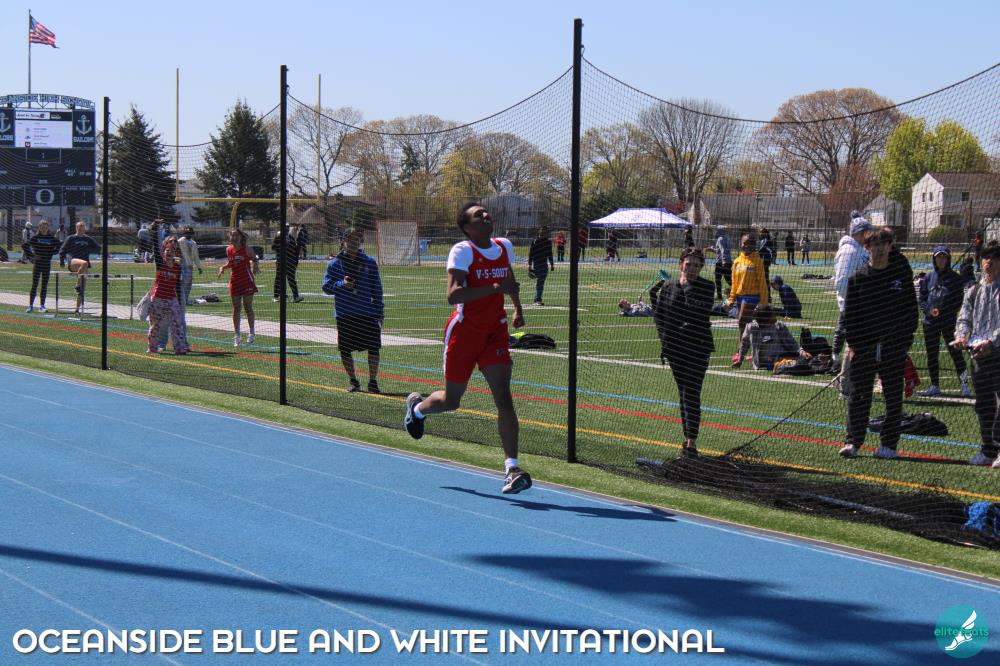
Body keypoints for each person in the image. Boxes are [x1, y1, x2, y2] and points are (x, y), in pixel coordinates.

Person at [403, 202, 531, 494]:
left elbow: (509, 280)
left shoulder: (504, 246)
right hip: (464, 332)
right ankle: (418, 409)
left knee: (504, 397)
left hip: (495, 331)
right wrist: (495, 289)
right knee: (452, 401)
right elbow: (454, 294)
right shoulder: (463, 251)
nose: (486, 215)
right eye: (478, 215)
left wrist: (517, 308)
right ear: (467, 227)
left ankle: (512, 469)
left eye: (486, 212)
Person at [839, 227, 918, 460]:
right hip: (864, 349)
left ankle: (889, 445)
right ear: (867, 248)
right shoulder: (858, 278)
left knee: (893, 397)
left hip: (893, 349)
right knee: (859, 396)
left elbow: (911, 311)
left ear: (890, 246)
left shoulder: (900, 276)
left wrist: (904, 342)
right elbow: (850, 317)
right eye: (875, 244)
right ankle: (853, 441)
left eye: (884, 243)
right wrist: (854, 345)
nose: (880, 248)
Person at [650, 248, 715, 456]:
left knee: (691, 393)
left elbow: (698, 313)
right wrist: (665, 342)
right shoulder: (668, 287)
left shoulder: (707, 287)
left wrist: (686, 287)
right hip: (675, 350)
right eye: (688, 264)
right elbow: (660, 316)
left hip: (698, 348)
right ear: (681, 265)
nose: (692, 269)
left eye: (696, 265)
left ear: (701, 268)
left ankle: (692, 444)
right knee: (683, 393)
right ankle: (687, 439)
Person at [953, 241, 1000, 468]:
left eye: (995, 258)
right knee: (984, 403)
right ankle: (988, 450)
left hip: (997, 352)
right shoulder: (974, 290)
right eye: (986, 257)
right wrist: (962, 336)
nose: (989, 262)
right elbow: (964, 317)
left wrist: (993, 343)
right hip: (978, 355)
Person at [322, 229, 384, 393]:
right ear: (342, 242)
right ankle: (353, 381)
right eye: (350, 240)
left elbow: (377, 288)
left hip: (367, 313)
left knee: (374, 348)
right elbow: (326, 287)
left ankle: (373, 382)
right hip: (345, 314)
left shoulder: (369, 262)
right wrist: (342, 285)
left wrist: (379, 311)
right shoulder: (334, 264)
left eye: (356, 239)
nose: (353, 242)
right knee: (345, 350)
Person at [916, 245, 969, 398]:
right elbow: (922, 298)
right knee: (932, 355)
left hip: (948, 323)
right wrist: (928, 310)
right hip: (930, 323)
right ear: (934, 259)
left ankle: (964, 385)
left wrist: (946, 312)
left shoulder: (955, 278)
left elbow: (958, 300)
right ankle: (934, 385)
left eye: (944, 257)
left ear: (948, 259)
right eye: (938, 257)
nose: (941, 260)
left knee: (955, 353)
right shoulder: (928, 277)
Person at [728, 232, 768, 360]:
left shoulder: (757, 261)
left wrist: (764, 301)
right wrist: (731, 299)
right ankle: (754, 351)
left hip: (752, 296)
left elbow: (762, 281)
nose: (747, 246)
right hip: (740, 297)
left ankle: (740, 351)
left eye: (750, 243)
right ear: (740, 243)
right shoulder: (737, 261)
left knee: (741, 321)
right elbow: (734, 283)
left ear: (754, 245)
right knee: (749, 325)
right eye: (745, 243)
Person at [732, 304, 810, 370]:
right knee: (799, 365)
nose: (775, 316)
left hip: (783, 356)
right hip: (765, 362)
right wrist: (740, 360)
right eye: (772, 315)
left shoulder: (780, 326)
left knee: (806, 361)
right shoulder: (752, 328)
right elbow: (744, 344)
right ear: (765, 319)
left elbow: (792, 343)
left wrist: (802, 352)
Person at [147, 235, 189, 355]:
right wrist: (154, 231)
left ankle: (179, 348)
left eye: (172, 251)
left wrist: (179, 302)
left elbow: (177, 286)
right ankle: (152, 347)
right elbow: (156, 249)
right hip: (158, 299)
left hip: (171, 299)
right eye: (167, 250)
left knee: (177, 324)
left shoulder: (177, 267)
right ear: (163, 252)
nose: (169, 252)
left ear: (175, 253)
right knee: (155, 325)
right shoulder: (160, 263)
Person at [218, 228, 259, 347]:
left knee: (248, 308)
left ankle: (251, 333)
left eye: (236, 235)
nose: (234, 237)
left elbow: (255, 258)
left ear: (241, 237)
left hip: (247, 281)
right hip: (235, 281)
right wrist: (223, 268)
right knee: (236, 309)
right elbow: (231, 263)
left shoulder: (247, 249)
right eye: (232, 235)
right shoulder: (228, 249)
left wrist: (256, 266)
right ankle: (237, 335)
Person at [59, 221, 102, 316]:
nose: (80, 229)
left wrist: (88, 250)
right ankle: (77, 285)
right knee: (84, 263)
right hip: (73, 262)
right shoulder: (71, 238)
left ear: (84, 229)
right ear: (76, 228)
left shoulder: (88, 239)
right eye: (79, 228)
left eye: (82, 228)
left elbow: (98, 248)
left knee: (81, 290)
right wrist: (62, 261)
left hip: (84, 267)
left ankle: (77, 310)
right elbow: (62, 249)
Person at [25, 220, 61, 313]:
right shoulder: (36, 238)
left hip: (46, 264)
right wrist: (32, 256)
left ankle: (42, 306)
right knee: (35, 284)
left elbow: (60, 246)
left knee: (44, 285)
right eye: (42, 227)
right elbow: (25, 246)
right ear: (39, 228)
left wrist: (53, 252)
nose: (44, 228)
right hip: (38, 264)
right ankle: (30, 305)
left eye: (46, 227)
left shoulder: (51, 238)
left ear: (48, 228)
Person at [272, 225, 304, 303]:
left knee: (291, 279)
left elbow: (295, 248)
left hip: (290, 261)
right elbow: (274, 247)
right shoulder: (279, 236)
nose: (286, 229)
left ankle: (295, 296)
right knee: (279, 279)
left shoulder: (290, 237)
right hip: (281, 261)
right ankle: (276, 296)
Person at [528, 226, 555, 306]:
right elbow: (531, 253)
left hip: (544, 264)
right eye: (542, 230)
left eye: (545, 230)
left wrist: (552, 264)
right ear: (539, 231)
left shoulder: (548, 242)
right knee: (540, 281)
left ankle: (537, 299)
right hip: (536, 263)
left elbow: (550, 253)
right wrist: (529, 264)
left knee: (541, 282)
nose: (543, 232)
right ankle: (537, 299)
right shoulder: (535, 241)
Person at [705, 225, 732, 301]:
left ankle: (720, 296)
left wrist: (723, 260)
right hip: (728, 261)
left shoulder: (720, 239)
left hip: (721, 262)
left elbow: (723, 250)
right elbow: (719, 250)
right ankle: (736, 292)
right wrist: (711, 249)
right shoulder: (727, 238)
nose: (716, 231)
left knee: (718, 279)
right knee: (728, 279)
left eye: (717, 230)